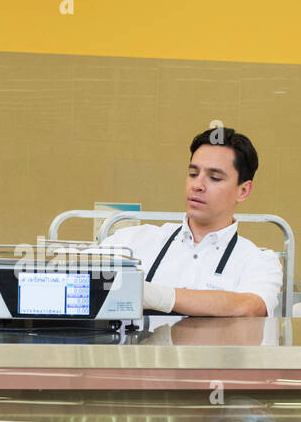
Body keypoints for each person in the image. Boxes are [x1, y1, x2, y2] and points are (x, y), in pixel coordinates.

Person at [102, 129, 282, 317]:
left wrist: (156, 295)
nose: (197, 185)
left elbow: (249, 307)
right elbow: (80, 274)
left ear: (243, 190)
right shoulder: (132, 241)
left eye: (215, 178)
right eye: (193, 173)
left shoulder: (258, 261)